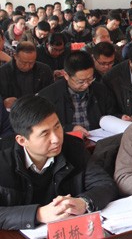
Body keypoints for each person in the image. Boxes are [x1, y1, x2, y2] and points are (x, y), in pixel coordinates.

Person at [0, 95, 117, 230]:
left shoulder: (73, 147)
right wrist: (38, 214)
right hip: (19, 238)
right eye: (45, 134)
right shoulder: (3, 160)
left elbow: (105, 184)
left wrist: (84, 202)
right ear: (22, 140)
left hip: (69, 231)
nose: (56, 139)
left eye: (57, 127)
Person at [38, 51, 116, 136]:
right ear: (66, 75)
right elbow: (43, 126)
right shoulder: (48, 96)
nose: (86, 85)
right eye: (81, 81)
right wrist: (70, 129)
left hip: (99, 139)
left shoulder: (101, 90)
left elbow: (111, 114)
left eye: (90, 79)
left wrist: (120, 117)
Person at [0, 41, 53, 108]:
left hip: (38, 109)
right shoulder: (3, 73)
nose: (27, 66)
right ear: (15, 56)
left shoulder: (44, 70)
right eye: (23, 62)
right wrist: (4, 102)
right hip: (13, 111)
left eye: (31, 63)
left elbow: (51, 93)